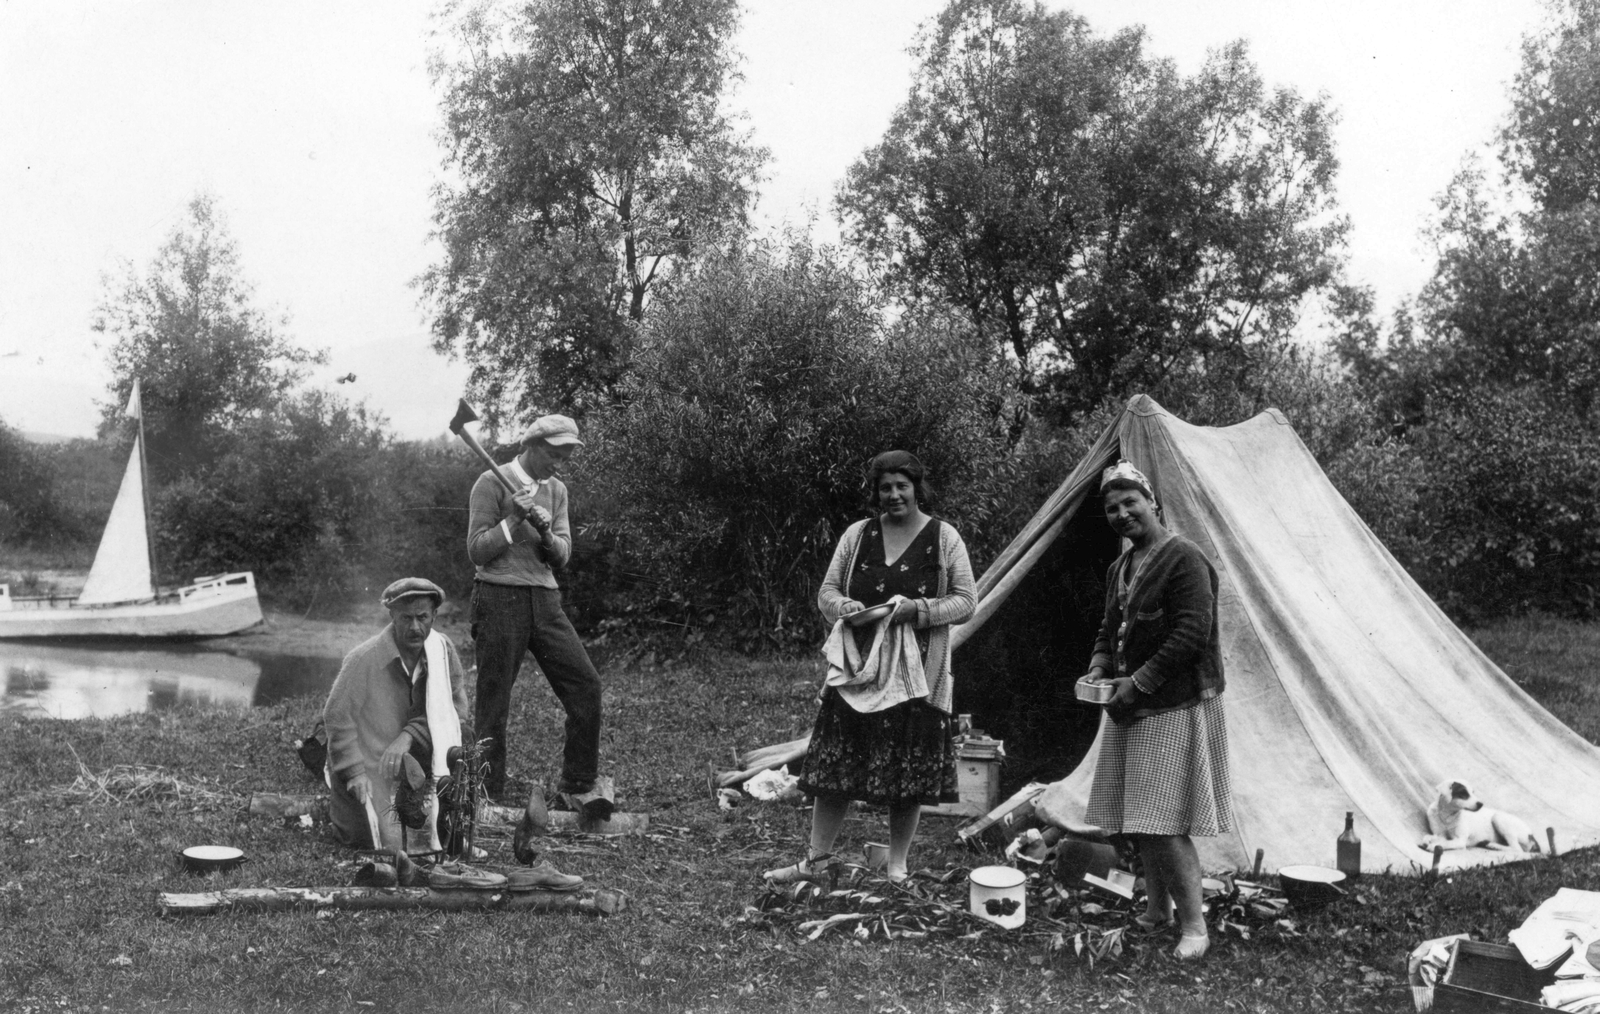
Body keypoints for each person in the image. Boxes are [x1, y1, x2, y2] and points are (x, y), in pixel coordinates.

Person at [766, 450, 976, 885]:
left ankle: (897, 865)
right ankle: (816, 860)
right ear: (876, 492)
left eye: (902, 485)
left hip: (918, 674)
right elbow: (827, 590)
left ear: (917, 487)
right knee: (835, 765)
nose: (894, 494)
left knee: (908, 768)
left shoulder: (944, 537)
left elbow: (966, 601)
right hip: (859, 672)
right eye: (885, 487)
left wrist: (916, 610)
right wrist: (844, 606)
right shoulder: (858, 535)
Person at [1081, 460, 1232, 961]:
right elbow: (1108, 630)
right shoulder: (1117, 568)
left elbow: (1192, 634)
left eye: (1131, 503)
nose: (1122, 514)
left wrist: (1138, 681)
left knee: (1165, 821)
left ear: (1154, 505)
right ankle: (1156, 911)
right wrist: (1100, 670)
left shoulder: (1184, 558)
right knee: (1141, 815)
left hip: (1172, 703)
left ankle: (1195, 927)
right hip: (1131, 706)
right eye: (1112, 509)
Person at [467, 413, 604, 807]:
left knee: (586, 685)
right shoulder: (490, 482)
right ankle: (486, 795)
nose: (557, 464)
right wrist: (514, 518)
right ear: (530, 445)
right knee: (494, 702)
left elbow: (561, 557)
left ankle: (578, 784)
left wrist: (544, 530)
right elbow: (477, 550)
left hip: (545, 600)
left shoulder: (556, 491)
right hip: (498, 596)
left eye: (564, 457)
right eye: (552, 454)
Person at [323, 578, 470, 851]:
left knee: (465, 741)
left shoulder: (442, 651)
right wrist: (354, 772)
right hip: (371, 762)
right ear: (392, 617)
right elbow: (337, 718)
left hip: (418, 756)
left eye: (423, 617)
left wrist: (408, 735)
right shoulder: (364, 658)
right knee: (367, 839)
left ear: (434, 616)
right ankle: (345, 800)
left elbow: (457, 711)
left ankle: (434, 803)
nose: (415, 627)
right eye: (406, 618)